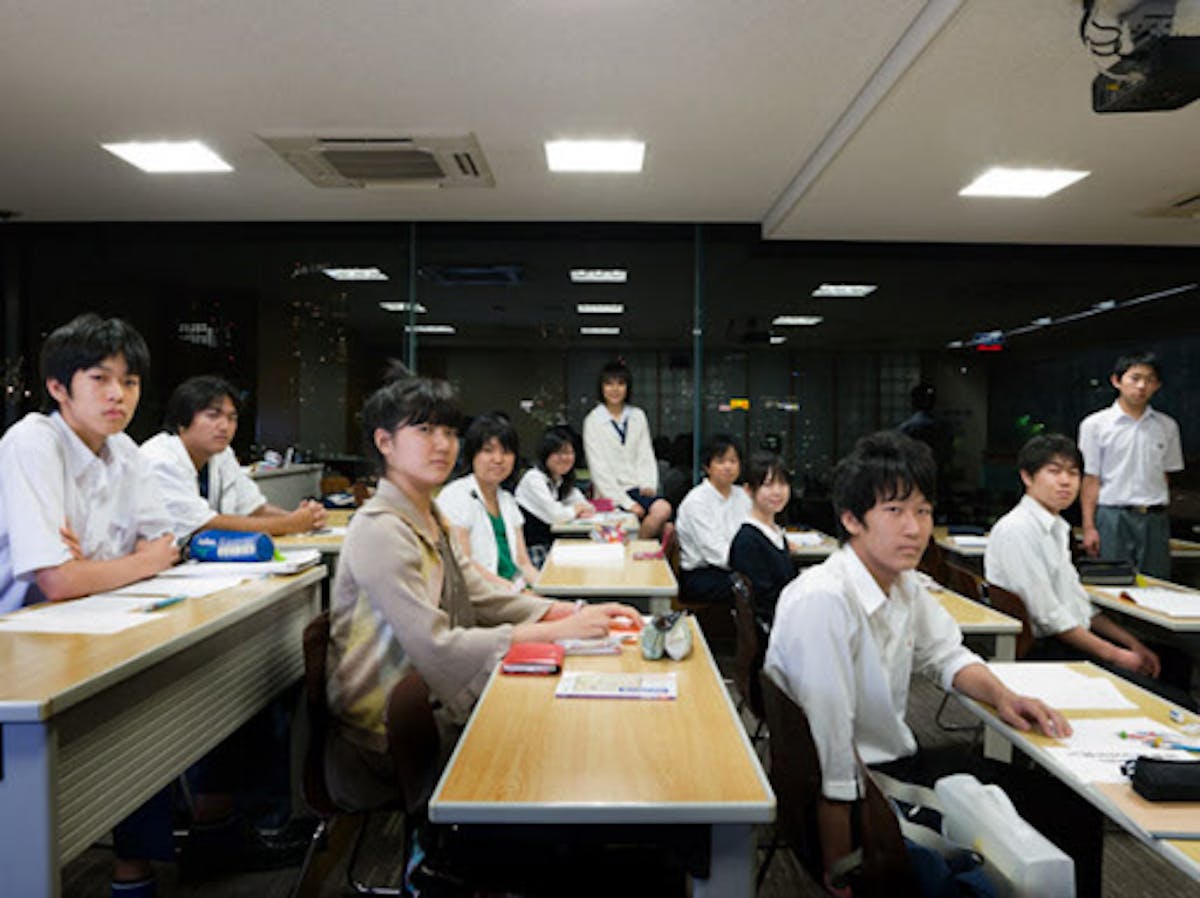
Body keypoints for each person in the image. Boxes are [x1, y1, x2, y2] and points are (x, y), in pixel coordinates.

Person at [764, 431, 1103, 896]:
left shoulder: (903, 583)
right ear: (851, 519)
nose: (915, 528)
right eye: (894, 511)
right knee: (1060, 813)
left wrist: (1004, 696)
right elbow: (831, 751)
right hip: (866, 788)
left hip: (888, 764)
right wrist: (842, 867)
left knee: (1068, 802)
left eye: (923, 511)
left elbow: (947, 654)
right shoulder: (824, 601)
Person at [324, 375, 640, 811]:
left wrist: (571, 611)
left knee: (574, 731)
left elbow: (478, 594)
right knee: (561, 751)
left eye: (449, 432)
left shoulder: (429, 515)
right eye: (424, 430)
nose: (442, 444)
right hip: (388, 741)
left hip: (433, 708)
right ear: (385, 442)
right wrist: (560, 629)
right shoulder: (381, 528)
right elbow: (436, 645)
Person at [986, 433, 1196, 710]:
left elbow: (1081, 606)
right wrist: (1116, 655)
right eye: (1054, 472)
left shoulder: (1056, 528)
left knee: (1175, 659)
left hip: (1067, 637)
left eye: (1073, 473)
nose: (1065, 481)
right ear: (1027, 476)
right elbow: (1050, 618)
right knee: (1178, 701)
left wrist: (1132, 644)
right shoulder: (1018, 529)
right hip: (1046, 650)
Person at [0, 313, 178, 611]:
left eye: (130, 382)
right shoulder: (33, 441)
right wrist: (145, 561)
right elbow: (59, 582)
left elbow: (165, 544)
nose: (118, 394)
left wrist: (88, 569)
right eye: (99, 378)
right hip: (16, 624)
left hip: (89, 613)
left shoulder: (124, 449)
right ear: (58, 388)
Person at [140, 375, 327, 539]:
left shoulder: (222, 454)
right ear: (182, 422)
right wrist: (290, 524)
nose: (224, 426)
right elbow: (203, 525)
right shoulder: (160, 458)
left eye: (232, 418)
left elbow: (254, 509)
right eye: (213, 416)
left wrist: (305, 518)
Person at [1078, 351, 1183, 579]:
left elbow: (1165, 475)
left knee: (1156, 586)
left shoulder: (1167, 426)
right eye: (1135, 378)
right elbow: (1091, 479)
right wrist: (1089, 527)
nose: (1142, 386)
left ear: (1157, 386)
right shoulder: (1095, 425)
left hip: (1154, 518)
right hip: (1113, 517)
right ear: (1116, 381)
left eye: (1150, 380)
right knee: (1113, 584)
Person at [437, 414, 539, 588]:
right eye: (488, 450)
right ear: (472, 454)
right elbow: (465, 566)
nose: (498, 459)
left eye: (506, 452)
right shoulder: (455, 496)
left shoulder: (507, 500)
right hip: (484, 595)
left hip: (516, 590)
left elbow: (523, 564)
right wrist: (516, 592)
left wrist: (546, 589)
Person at [581, 360, 672, 539]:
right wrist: (628, 504)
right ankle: (638, 547)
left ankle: (639, 546)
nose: (615, 389)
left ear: (628, 387)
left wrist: (648, 483)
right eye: (609, 384)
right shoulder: (593, 421)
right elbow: (598, 469)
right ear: (601, 388)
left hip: (637, 487)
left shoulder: (637, 416)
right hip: (610, 493)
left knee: (664, 511)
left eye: (620, 383)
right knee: (647, 525)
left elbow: (645, 454)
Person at [675, 433, 751, 604]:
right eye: (721, 461)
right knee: (756, 586)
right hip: (702, 574)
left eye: (733, 461)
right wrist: (752, 562)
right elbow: (715, 553)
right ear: (707, 467)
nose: (728, 467)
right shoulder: (697, 502)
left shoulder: (743, 496)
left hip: (735, 567)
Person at [728, 451, 796, 625]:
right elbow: (764, 602)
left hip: (787, 617)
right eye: (768, 485)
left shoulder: (775, 533)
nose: (777, 492)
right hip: (776, 627)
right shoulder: (747, 541)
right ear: (748, 490)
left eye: (783, 483)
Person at [514, 425, 594, 565]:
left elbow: (584, 504)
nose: (565, 458)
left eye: (569, 453)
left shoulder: (559, 479)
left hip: (552, 544)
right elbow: (555, 516)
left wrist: (580, 508)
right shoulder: (534, 478)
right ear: (546, 454)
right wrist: (576, 509)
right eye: (558, 453)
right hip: (532, 550)